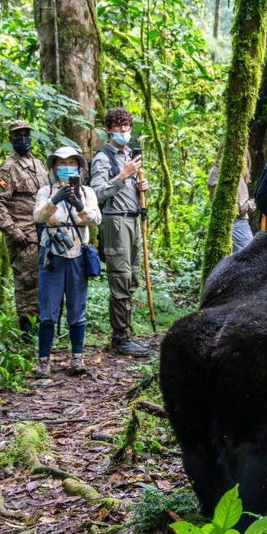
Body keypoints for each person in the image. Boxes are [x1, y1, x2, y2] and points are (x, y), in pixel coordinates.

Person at [33, 147, 102, 377]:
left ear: (79, 168)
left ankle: (77, 358)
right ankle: (44, 361)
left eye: (71, 163)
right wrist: (55, 200)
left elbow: (96, 219)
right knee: (48, 311)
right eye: (61, 164)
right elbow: (38, 216)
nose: (66, 168)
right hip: (52, 256)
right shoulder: (45, 191)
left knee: (77, 309)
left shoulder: (87, 192)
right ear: (53, 168)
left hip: (77, 256)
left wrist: (78, 205)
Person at [90, 108, 151, 357]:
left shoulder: (129, 155)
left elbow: (130, 190)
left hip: (134, 220)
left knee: (132, 276)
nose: (124, 131)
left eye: (127, 127)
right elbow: (95, 193)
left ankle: (126, 331)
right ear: (109, 129)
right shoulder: (103, 158)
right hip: (114, 222)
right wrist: (122, 176)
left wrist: (141, 187)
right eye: (118, 127)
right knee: (120, 276)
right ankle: (120, 337)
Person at [0, 119, 46, 339]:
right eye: (18, 135)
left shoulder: (39, 164)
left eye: (26, 134)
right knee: (27, 285)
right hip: (24, 238)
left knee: (43, 284)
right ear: (11, 139)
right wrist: (14, 231)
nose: (23, 139)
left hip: (43, 234)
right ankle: (28, 335)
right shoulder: (8, 168)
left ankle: (44, 332)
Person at [207, 148, 256, 252]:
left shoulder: (216, 170)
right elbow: (239, 209)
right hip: (237, 224)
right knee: (250, 258)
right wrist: (253, 203)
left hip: (220, 222)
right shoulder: (233, 174)